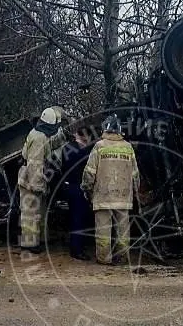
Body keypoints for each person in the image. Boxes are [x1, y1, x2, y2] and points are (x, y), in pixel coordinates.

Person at [82, 115, 139, 265]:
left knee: (103, 230)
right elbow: (135, 174)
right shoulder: (128, 147)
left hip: (103, 195)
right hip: (123, 196)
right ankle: (123, 257)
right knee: (123, 230)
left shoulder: (99, 146)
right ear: (120, 130)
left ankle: (104, 258)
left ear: (105, 129)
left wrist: (87, 188)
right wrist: (135, 191)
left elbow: (89, 172)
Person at [17, 106, 68, 254]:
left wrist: (62, 137)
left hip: (34, 179)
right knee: (31, 213)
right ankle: (29, 244)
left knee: (39, 212)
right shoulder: (39, 138)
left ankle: (38, 240)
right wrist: (38, 186)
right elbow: (35, 165)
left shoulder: (40, 134)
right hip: (31, 182)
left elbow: (49, 144)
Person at [61, 131, 94, 261]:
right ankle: (77, 249)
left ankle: (76, 246)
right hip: (79, 187)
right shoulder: (84, 152)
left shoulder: (66, 148)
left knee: (74, 217)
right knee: (79, 218)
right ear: (85, 137)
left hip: (68, 186)